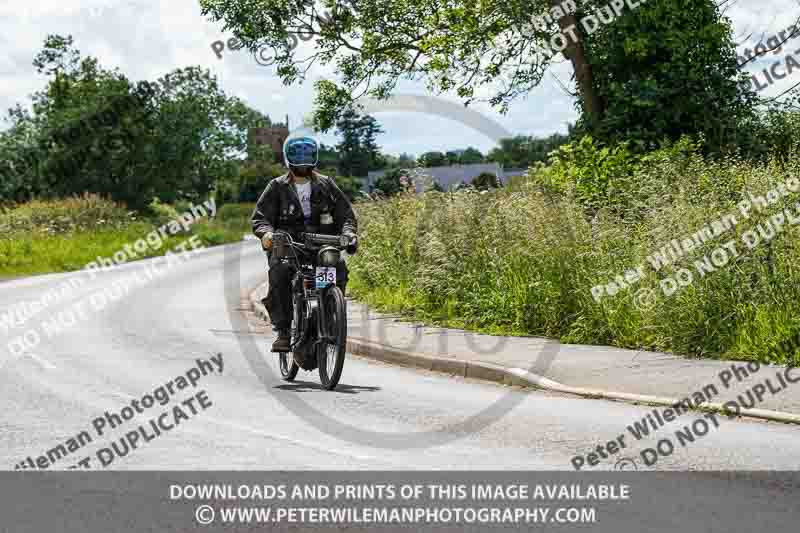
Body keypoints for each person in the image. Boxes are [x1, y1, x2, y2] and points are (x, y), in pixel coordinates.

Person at [251, 135, 358, 352]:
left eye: (307, 161)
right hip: (289, 247)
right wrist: (267, 234)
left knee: (336, 268)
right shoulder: (277, 187)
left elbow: (346, 215)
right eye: (298, 162)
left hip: (322, 245)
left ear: (314, 160)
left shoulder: (327, 185)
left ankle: (331, 313)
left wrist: (349, 233)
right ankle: (283, 331)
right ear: (289, 161)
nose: (303, 166)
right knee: (280, 272)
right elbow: (260, 218)